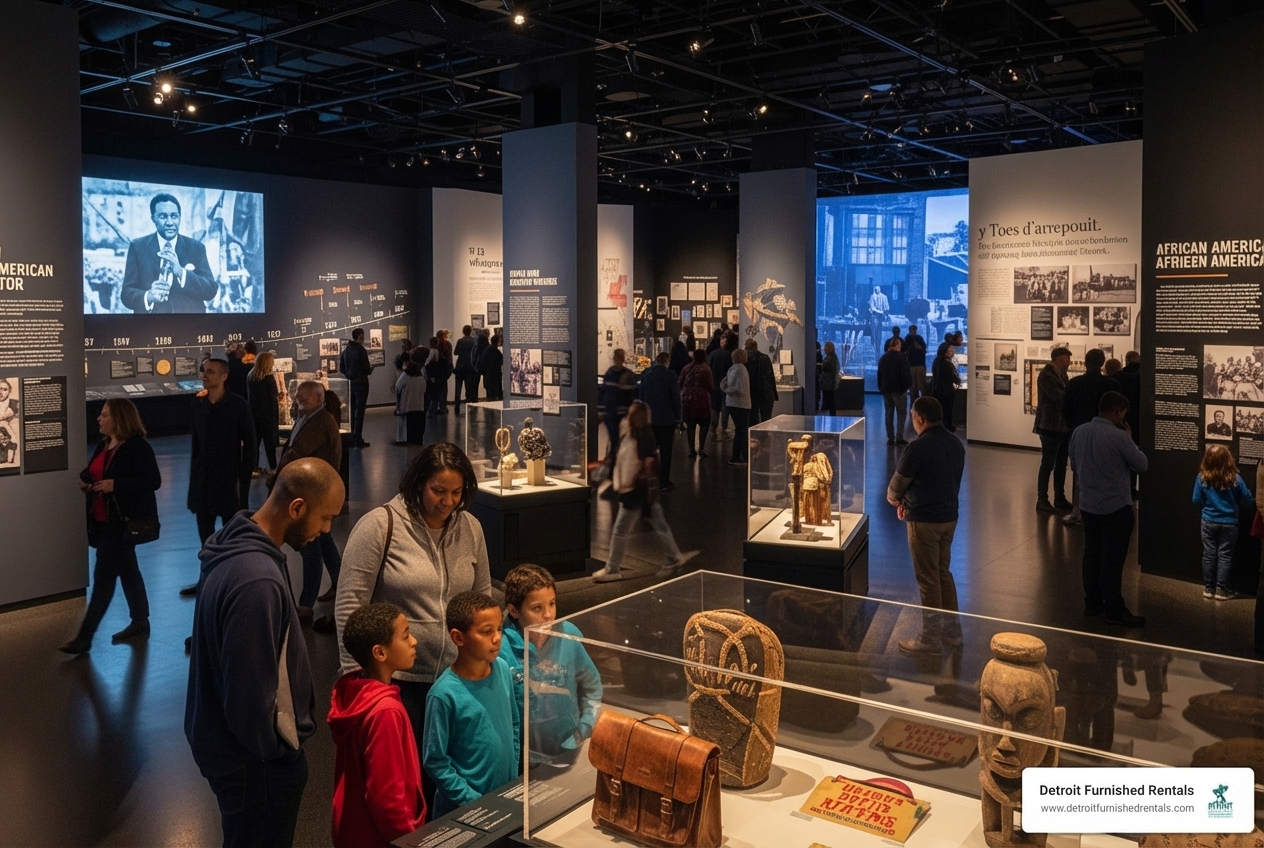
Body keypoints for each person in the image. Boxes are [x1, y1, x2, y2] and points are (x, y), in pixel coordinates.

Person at [185, 458, 346, 848]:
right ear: (296, 508)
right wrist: (279, 756)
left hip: (231, 753)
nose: (326, 531)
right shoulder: (257, 580)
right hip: (254, 766)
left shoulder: (236, 546)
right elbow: (248, 698)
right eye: (325, 519)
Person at [335, 442, 491, 767]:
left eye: (457, 492)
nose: (448, 502)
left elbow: (482, 599)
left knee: (451, 777)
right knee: (401, 780)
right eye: (438, 491)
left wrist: (486, 662)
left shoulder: (471, 528)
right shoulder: (379, 526)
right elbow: (351, 604)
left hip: (456, 681)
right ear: (419, 482)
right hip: (398, 686)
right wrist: (358, 680)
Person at [60, 399, 161, 654]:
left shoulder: (138, 447)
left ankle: (85, 636)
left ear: (118, 419)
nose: (99, 419)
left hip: (121, 522)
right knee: (128, 570)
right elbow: (92, 471)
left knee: (103, 578)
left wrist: (115, 484)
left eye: (104, 415)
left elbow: (152, 481)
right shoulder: (105, 445)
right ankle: (140, 620)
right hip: (104, 522)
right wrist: (86, 481)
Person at [329, 603, 427, 848]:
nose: (414, 641)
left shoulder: (353, 692)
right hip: (382, 838)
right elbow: (387, 797)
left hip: (353, 827)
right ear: (380, 653)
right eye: (405, 636)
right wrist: (410, 840)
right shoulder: (385, 711)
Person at [422, 592, 519, 817]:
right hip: (464, 811)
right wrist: (474, 802)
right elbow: (435, 761)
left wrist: (511, 781)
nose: (497, 638)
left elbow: (514, 723)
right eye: (487, 632)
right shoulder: (443, 694)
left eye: (499, 629)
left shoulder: (503, 668)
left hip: (503, 800)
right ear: (458, 637)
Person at [498, 565, 602, 763]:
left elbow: (592, 687)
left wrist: (584, 729)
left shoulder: (569, 634)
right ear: (513, 610)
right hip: (521, 760)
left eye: (552, 604)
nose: (548, 615)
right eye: (537, 608)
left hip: (570, 750)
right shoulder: (501, 650)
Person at [886, 396, 966, 654]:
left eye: (912, 415)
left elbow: (897, 485)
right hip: (949, 518)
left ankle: (930, 639)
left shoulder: (918, 447)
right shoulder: (955, 443)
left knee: (928, 579)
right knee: (943, 573)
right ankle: (952, 633)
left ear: (919, 418)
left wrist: (896, 500)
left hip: (924, 521)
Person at [593, 401, 699, 583]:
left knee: (620, 530)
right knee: (659, 523)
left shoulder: (638, 436)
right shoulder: (641, 434)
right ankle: (674, 556)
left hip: (635, 491)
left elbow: (644, 462)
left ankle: (612, 568)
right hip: (643, 491)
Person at [1068, 391, 1147, 627]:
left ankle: (1092, 603)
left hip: (1089, 505)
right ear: (1116, 412)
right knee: (1112, 561)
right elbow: (1142, 465)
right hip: (1115, 507)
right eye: (1123, 413)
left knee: (1092, 555)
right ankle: (1114, 609)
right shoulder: (1119, 437)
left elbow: (1074, 463)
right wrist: (1130, 438)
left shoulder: (1079, 432)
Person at [182, 358, 256, 596]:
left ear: (224, 376)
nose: (205, 375)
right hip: (203, 480)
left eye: (211, 372)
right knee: (204, 534)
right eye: (204, 371)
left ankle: (235, 579)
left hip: (228, 479)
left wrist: (244, 477)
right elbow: (196, 444)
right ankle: (207, 578)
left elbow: (251, 442)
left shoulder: (237, 404)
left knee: (232, 532)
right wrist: (194, 477)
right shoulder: (198, 404)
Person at [279, 381, 344, 623]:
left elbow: (298, 452)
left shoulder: (320, 422)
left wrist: (280, 477)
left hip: (314, 494)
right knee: (322, 541)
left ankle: (306, 605)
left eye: (304, 397)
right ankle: (339, 583)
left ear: (318, 398)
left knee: (311, 549)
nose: (299, 400)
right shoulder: (310, 418)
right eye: (298, 397)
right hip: (314, 492)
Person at [120, 192, 217, 314]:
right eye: (163, 216)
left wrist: (181, 272)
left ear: (180, 218)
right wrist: (148, 296)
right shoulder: (138, 247)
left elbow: (211, 290)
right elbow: (126, 293)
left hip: (191, 325)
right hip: (151, 327)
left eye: (174, 216)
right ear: (153, 218)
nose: (170, 222)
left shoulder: (196, 248)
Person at [1062, 348, 1121, 526]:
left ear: (1086, 363)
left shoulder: (1074, 384)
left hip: (1079, 432)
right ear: (1102, 363)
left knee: (1079, 473)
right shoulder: (1111, 384)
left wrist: (1074, 427)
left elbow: (1066, 410)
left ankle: (1078, 511)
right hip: (1106, 434)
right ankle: (1102, 511)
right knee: (1104, 472)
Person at [1192, 445, 1251, 601]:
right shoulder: (1235, 479)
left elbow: (1196, 500)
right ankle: (1221, 589)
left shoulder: (1202, 477)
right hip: (1230, 522)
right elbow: (1248, 497)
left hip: (1208, 521)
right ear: (1228, 459)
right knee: (1225, 556)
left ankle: (1208, 588)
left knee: (1209, 554)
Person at [1034, 346, 1073, 512]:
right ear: (1059, 358)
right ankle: (1042, 499)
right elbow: (1057, 396)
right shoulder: (1047, 375)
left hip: (1061, 425)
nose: (1070, 362)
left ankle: (1060, 497)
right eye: (1067, 358)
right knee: (1048, 463)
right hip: (1050, 425)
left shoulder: (1061, 374)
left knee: (1061, 463)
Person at [638, 351, 681, 492]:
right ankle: (664, 481)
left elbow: (641, 395)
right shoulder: (670, 375)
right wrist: (678, 417)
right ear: (667, 361)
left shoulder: (647, 374)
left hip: (650, 418)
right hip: (667, 419)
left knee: (649, 450)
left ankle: (647, 478)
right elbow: (675, 397)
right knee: (666, 451)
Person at [598, 349, 637, 460]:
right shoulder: (614, 373)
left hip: (621, 414)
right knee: (615, 441)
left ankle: (614, 465)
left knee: (618, 441)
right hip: (612, 413)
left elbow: (631, 395)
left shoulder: (624, 374)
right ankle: (614, 465)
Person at [247, 351, 279, 476]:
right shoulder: (268, 378)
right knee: (270, 443)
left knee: (255, 442)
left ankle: (253, 467)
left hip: (254, 414)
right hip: (268, 416)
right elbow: (272, 398)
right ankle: (273, 467)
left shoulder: (251, 376)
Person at [340, 328, 374, 448]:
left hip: (351, 383)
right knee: (360, 411)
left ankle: (351, 437)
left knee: (352, 410)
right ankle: (357, 437)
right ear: (360, 336)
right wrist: (369, 370)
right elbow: (366, 369)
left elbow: (342, 368)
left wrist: (349, 375)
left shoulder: (346, 351)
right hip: (361, 383)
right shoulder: (361, 350)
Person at [680, 349, 714, 458]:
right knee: (704, 424)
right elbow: (710, 385)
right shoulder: (705, 369)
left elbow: (679, 382)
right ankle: (701, 448)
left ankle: (691, 449)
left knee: (690, 425)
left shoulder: (686, 368)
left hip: (687, 400)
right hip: (701, 400)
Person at [877, 337, 912, 446]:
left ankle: (890, 438)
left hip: (886, 390)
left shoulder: (883, 358)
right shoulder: (902, 358)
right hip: (899, 390)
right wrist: (906, 387)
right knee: (901, 413)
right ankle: (899, 437)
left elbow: (879, 375)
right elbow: (905, 375)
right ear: (898, 345)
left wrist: (881, 388)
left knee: (889, 413)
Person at [722, 349, 751, 465]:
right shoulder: (740, 369)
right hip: (740, 404)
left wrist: (726, 390)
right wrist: (729, 391)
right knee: (741, 431)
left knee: (741, 430)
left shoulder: (733, 368)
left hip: (734, 403)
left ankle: (740, 455)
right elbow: (740, 388)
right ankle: (737, 456)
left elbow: (725, 383)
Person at [744, 338, 778, 426]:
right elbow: (770, 377)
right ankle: (765, 438)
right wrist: (774, 393)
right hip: (765, 392)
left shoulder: (744, 360)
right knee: (766, 421)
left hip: (751, 393)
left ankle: (752, 439)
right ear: (756, 346)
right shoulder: (764, 358)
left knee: (752, 421)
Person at [394, 359, 428, 446]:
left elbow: (397, 388)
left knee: (408, 429)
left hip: (407, 407)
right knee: (418, 430)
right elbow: (424, 391)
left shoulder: (405, 377)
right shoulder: (422, 379)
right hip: (420, 407)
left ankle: (406, 441)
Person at [930, 342, 961, 432]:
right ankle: (947, 428)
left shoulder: (936, 361)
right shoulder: (947, 364)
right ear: (945, 352)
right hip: (947, 391)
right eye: (951, 350)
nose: (953, 351)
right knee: (947, 411)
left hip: (937, 390)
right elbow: (955, 378)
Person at [452, 325, 479, 413]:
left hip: (460, 366)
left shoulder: (460, 341)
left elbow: (456, 353)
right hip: (470, 367)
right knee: (469, 387)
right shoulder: (474, 341)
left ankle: (457, 405)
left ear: (463, 331)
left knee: (458, 387)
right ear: (470, 331)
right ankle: (469, 404)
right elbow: (476, 354)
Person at [904, 324, 928, 398]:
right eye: (912, 330)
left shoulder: (919, 338)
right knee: (913, 386)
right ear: (910, 331)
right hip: (911, 364)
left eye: (915, 330)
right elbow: (905, 351)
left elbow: (924, 349)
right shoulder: (907, 339)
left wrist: (919, 347)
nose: (914, 331)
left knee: (921, 384)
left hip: (920, 364)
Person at [818, 341, 841, 415]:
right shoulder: (833, 357)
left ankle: (826, 412)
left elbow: (826, 367)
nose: (824, 349)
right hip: (829, 383)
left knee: (828, 398)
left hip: (828, 383)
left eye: (826, 348)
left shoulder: (831, 358)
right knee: (829, 398)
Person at [481, 334, 503, 402]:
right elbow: (501, 361)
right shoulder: (497, 351)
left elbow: (483, 362)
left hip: (488, 374)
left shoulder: (486, 350)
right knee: (494, 394)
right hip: (495, 375)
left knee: (490, 394)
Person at [436, 330, 454, 412]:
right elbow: (449, 358)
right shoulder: (448, 345)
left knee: (437, 388)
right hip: (444, 368)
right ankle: (443, 406)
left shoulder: (436, 345)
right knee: (443, 388)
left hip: (437, 369)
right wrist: (450, 368)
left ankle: (437, 406)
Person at [867, 284, 890, 351]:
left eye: (878, 289)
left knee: (879, 331)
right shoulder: (872, 297)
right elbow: (871, 306)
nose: (877, 290)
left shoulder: (884, 297)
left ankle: (878, 345)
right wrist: (876, 311)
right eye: (876, 289)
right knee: (873, 330)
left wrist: (884, 312)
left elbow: (887, 307)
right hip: (874, 316)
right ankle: (874, 343)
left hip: (880, 316)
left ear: (880, 290)